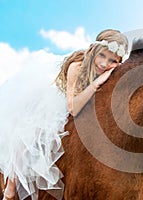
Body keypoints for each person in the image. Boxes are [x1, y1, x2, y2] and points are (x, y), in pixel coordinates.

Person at [0, 29, 128, 200]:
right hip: (59, 102)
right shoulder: (77, 65)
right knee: (32, 133)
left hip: (86, 106)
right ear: (93, 51)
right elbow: (73, 107)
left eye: (113, 60)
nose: (104, 64)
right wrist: (97, 83)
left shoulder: (112, 73)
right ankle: (11, 185)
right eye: (103, 56)